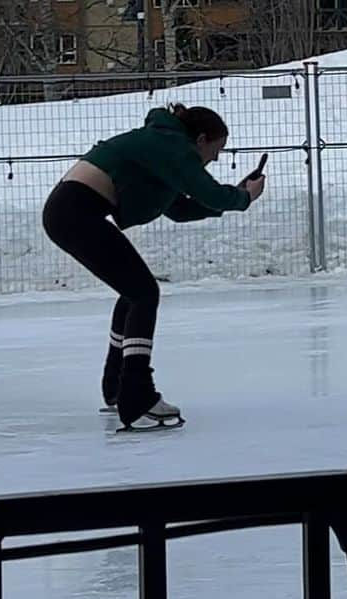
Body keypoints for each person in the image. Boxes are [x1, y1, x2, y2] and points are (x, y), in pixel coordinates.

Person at [42, 103, 265, 428]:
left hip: (69, 211)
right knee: (144, 293)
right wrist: (242, 198)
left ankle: (117, 387)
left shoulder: (161, 146)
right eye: (216, 151)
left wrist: (232, 199)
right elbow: (210, 193)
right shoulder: (172, 146)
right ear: (200, 140)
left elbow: (179, 209)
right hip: (75, 213)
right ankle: (137, 395)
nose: (215, 159)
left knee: (134, 293)